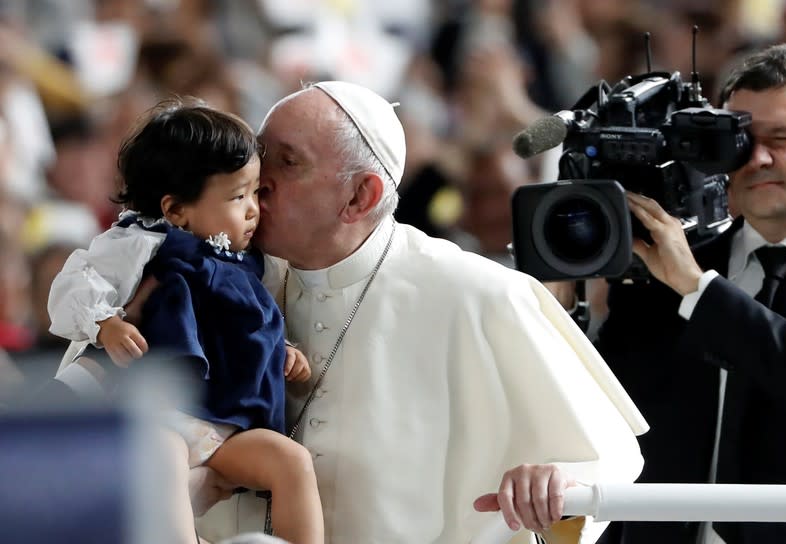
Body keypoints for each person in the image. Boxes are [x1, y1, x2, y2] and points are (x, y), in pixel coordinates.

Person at [54, 82, 647, 543]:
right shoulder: (220, 271)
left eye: (284, 164)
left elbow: (608, 454)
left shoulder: (477, 293)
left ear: (359, 196)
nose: (256, 187)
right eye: (255, 164)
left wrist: (557, 478)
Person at [47, 98, 324, 544]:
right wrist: (105, 323)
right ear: (176, 210)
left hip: (224, 425)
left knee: (289, 460)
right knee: (164, 452)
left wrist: (281, 351)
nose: (254, 209)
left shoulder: (250, 264)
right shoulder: (140, 244)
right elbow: (73, 283)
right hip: (159, 413)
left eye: (255, 192)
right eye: (238, 196)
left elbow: (246, 325)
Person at [571, 43, 786, 544]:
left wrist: (698, 290)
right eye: (740, 140)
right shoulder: (667, 262)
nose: (758, 158)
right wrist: (563, 291)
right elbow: (602, 406)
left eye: (783, 139)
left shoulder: (686, 274)